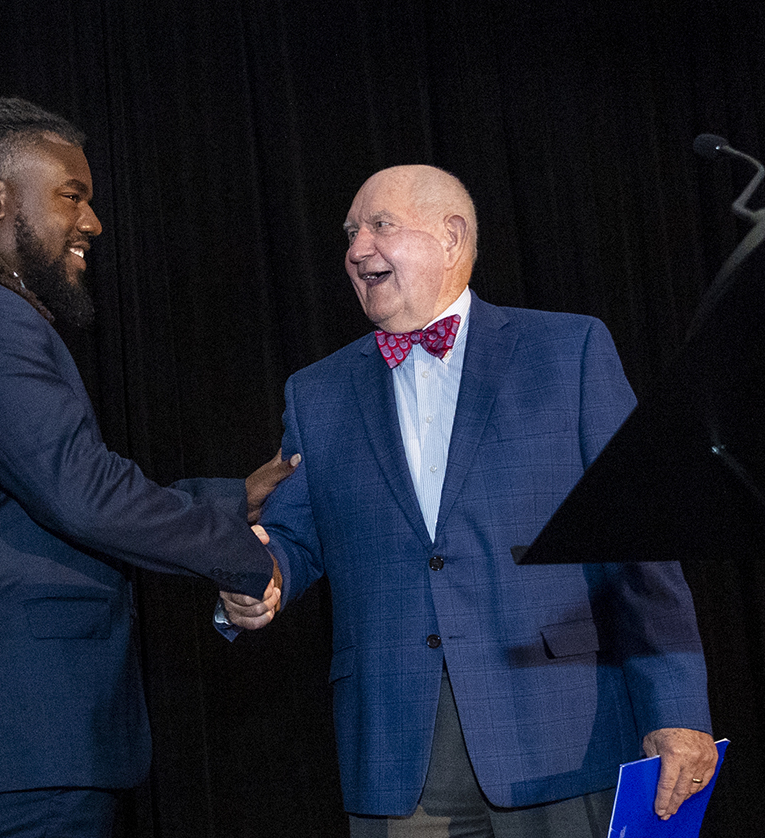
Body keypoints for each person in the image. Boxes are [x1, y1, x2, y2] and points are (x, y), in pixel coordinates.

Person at [220, 165, 717, 837]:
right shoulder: (317, 391)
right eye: (350, 234)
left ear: (452, 237)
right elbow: (294, 537)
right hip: (399, 750)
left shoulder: (568, 351)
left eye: (380, 226)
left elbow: (639, 541)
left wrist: (677, 706)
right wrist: (260, 578)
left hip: (561, 734)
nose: (358, 249)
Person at [0, 96, 287, 838]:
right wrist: (239, 557)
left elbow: (25, 501)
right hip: (9, 745)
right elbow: (81, 492)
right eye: (72, 195)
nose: (91, 222)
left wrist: (229, 500)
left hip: (0, 748)